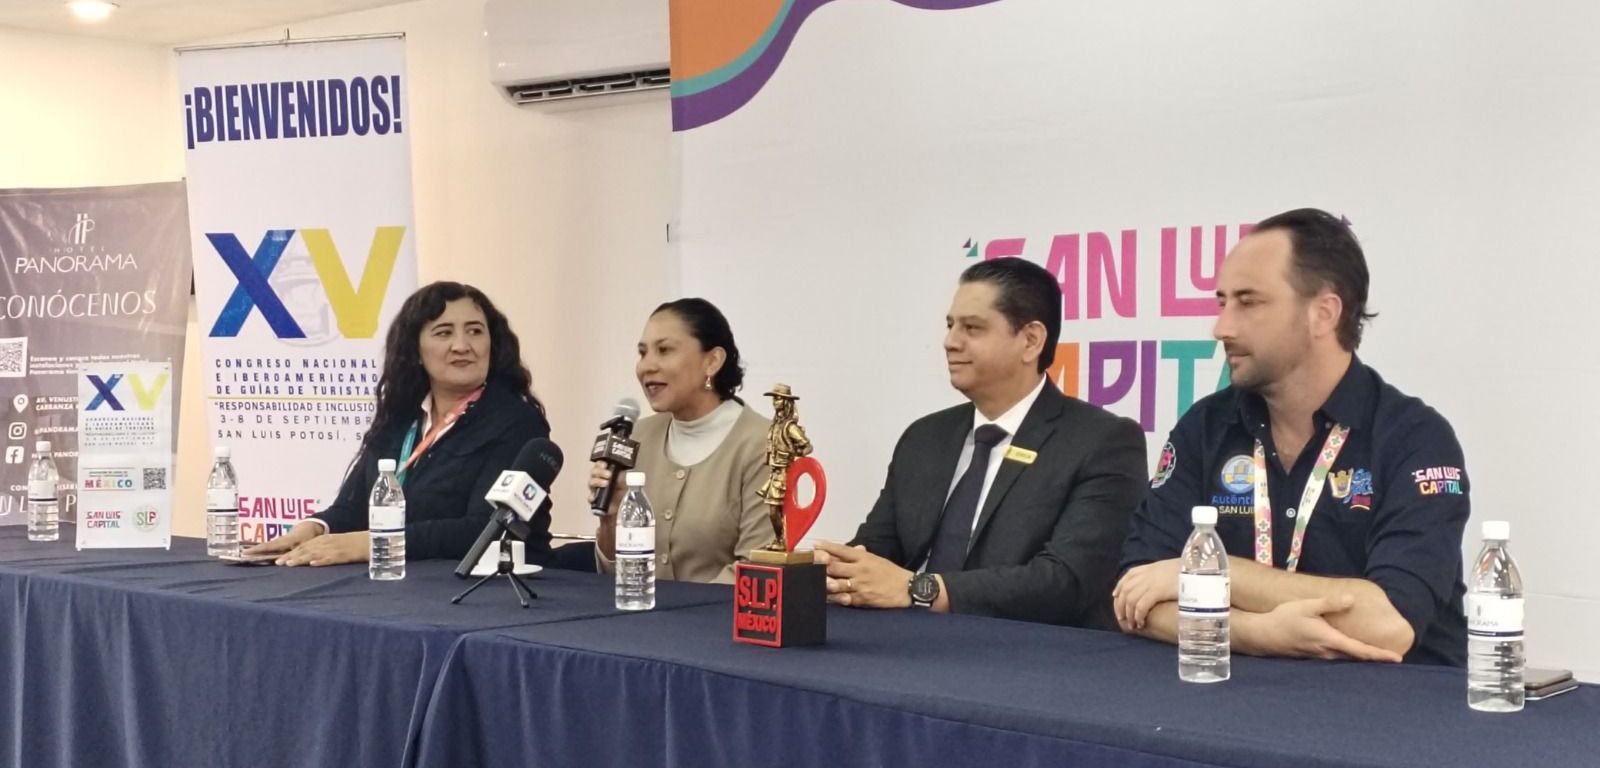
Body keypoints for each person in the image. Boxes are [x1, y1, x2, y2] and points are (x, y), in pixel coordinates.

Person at [1115, 208, 1470, 665]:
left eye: (1249, 302)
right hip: (1238, 694)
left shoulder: (1415, 438)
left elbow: (1388, 625)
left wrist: (1217, 576)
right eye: (1222, 303)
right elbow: (1137, 595)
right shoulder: (1205, 426)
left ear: (1323, 314)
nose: (1222, 328)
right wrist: (1255, 633)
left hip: (1394, 701)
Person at [816, 257, 1147, 627]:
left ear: (1031, 341)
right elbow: (878, 549)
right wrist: (831, 569)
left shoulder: (1102, 442)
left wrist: (920, 590)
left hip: (1027, 651)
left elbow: (1065, 582)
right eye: (950, 326)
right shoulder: (924, 437)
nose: (950, 342)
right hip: (905, 642)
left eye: (972, 328)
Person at [245, 281, 551, 566]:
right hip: (405, 582)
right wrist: (313, 528)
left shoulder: (518, 423)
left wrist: (377, 543)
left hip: (494, 588)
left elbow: (486, 529)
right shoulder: (400, 418)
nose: (462, 345)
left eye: (475, 331)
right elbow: (353, 508)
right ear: (415, 351)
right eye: (444, 333)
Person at [587, 298, 772, 584]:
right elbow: (618, 575)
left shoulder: (763, 444)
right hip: (638, 610)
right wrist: (609, 519)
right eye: (642, 353)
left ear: (712, 361)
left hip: (720, 612)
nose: (646, 366)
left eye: (664, 350)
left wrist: (679, 609)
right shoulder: (636, 438)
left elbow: (757, 569)